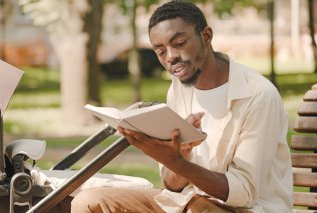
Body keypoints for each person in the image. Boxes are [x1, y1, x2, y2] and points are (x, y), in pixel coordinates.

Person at [71, 0, 293, 212]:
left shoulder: (258, 95)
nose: (171, 57)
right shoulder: (179, 88)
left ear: (206, 36)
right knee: (89, 202)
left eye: (179, 44)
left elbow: (244, 193)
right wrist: (178, 157)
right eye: (160, 51)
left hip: (245, 209)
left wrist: (175, 161)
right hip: (185, 203)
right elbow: (172, 185)